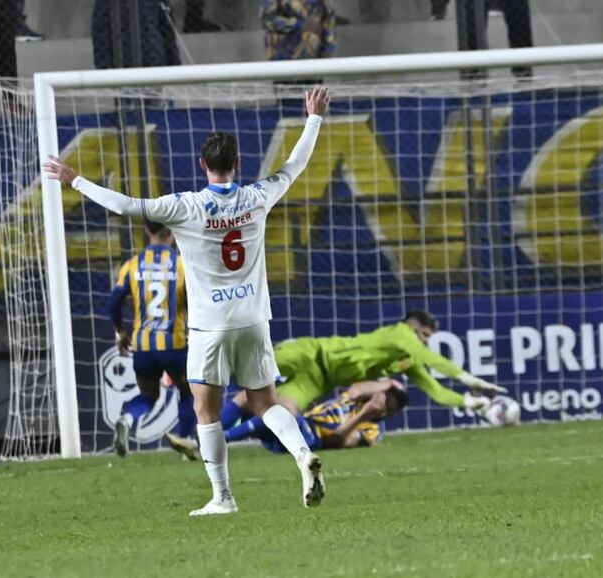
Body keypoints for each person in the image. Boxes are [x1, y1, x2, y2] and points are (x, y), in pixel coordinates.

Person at [43, 86, 331, 516]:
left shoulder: (185, 207)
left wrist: (76, 180)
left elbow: (125, 206)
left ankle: (223, 497)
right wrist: (313, 119)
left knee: (205, 408)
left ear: (203, 165)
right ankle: (301, 454)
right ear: (237, 164)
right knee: (266, 403)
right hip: (253, 318)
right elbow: (295, 165)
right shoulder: (257, 197)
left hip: (209, 325)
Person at [221, 310, 504, 424]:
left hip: (321, 380)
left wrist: (472, 401)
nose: (424, 342)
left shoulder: (408, 357)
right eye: (424, 335)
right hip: (313, 352)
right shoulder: (401, 333)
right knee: (245, 368)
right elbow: (433, 360)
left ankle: (216, 440)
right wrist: (466, 376)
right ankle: (197, 364)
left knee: (284, 415)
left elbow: (436, 391)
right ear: (412, 327)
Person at [107, 220, 196, 458]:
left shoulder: (132, 265)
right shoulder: (182, 265)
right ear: (172, 233)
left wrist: (120, 332)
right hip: (175, 345)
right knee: (188, 392)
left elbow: (113, 304)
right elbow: (196, 301)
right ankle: (185, 442)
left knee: (148, 395)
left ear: (148, 232)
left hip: (144, 346)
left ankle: (127, 419)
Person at [167, 379, 408, 459]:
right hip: (294, 426)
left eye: (388, 405)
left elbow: (338, 439)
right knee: (248, 397)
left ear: (390, 413)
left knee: (282, 409)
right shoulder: (353, 400)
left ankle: (210, 442)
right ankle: (209, 435)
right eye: (383, 397)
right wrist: (385, 384)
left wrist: (367, 413)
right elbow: (356, 388)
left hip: (308, 439)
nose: (380, 403)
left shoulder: (373, 431)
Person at [262, 0, 335, 106]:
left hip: (314, 63)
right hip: (285, 64)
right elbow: (267, 20)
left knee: (315, 110)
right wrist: (299, 25)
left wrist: (328, 49)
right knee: (290, 112)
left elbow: (328, 18)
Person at [92, 0, 180, 70]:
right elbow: (101, 32)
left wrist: (175, 63)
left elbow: (168, 31)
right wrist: (104, 68)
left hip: (155, 62)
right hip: (124, 64)